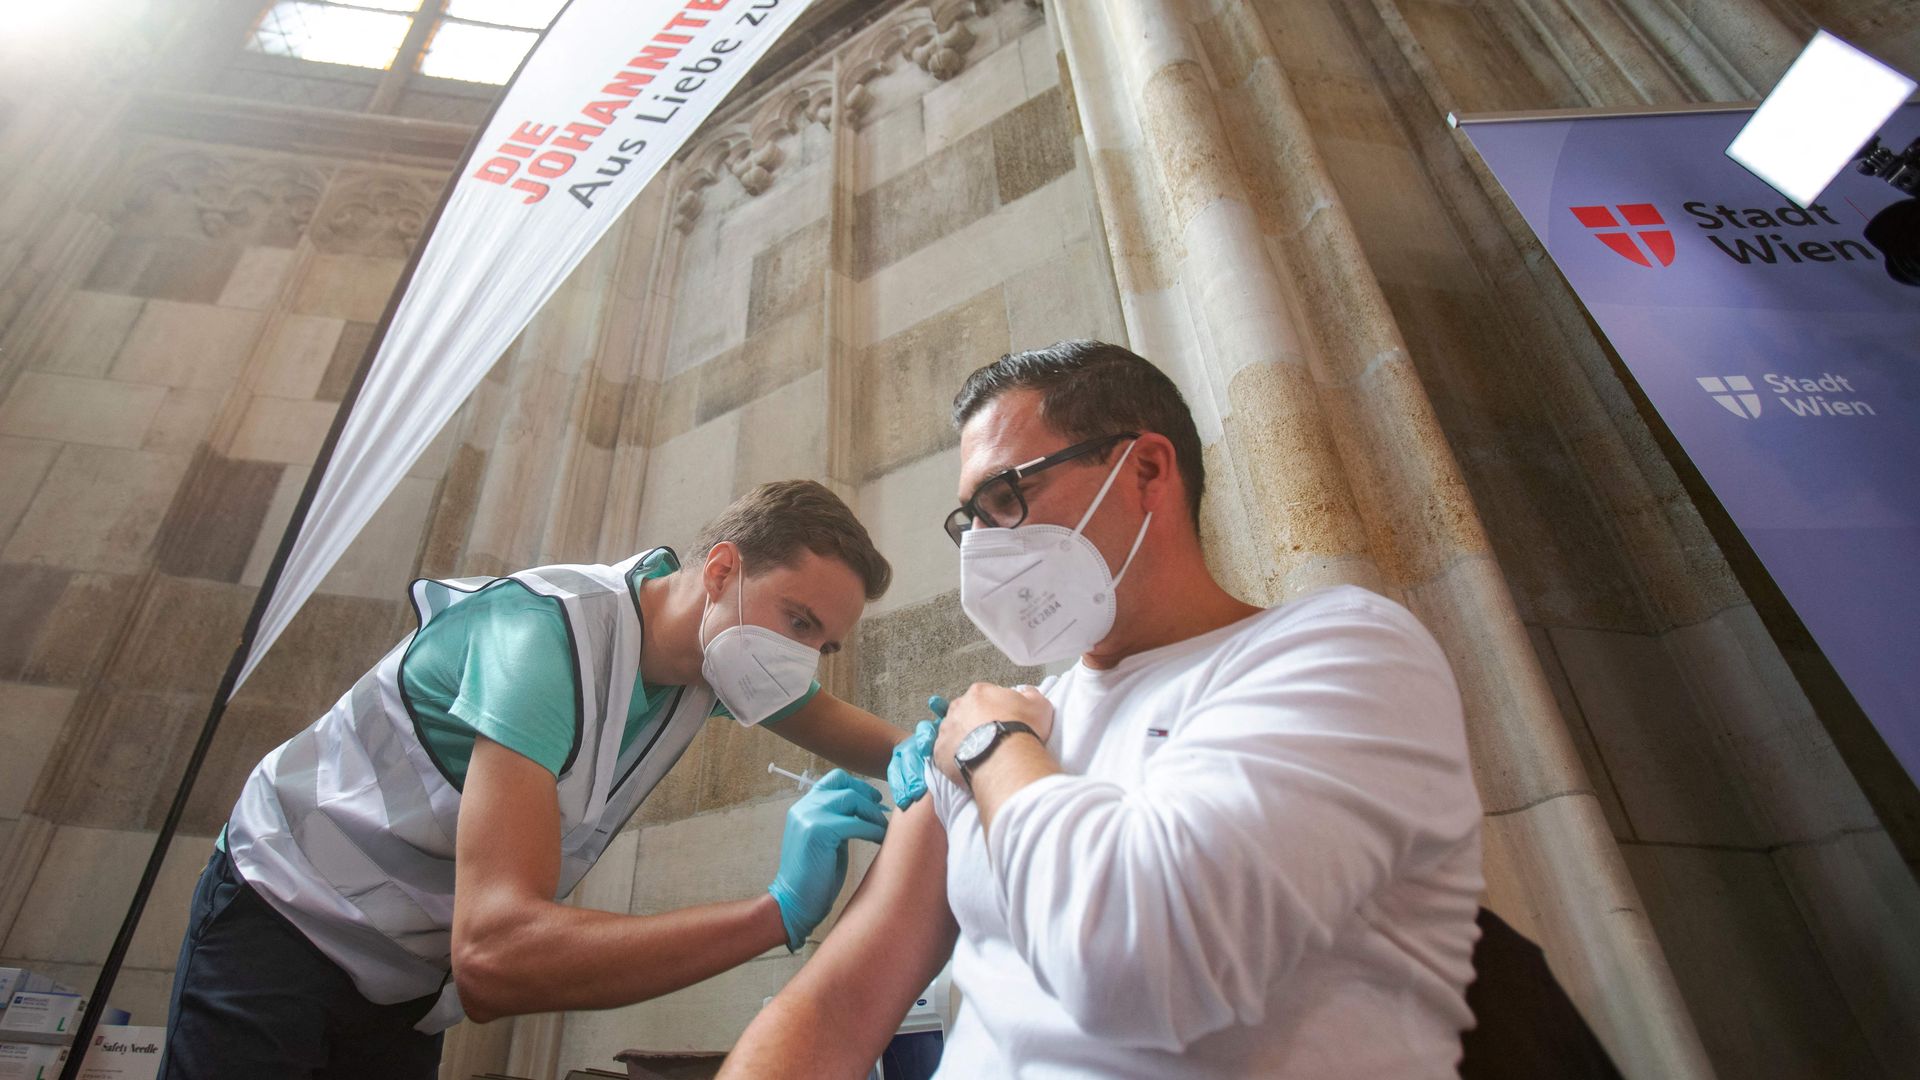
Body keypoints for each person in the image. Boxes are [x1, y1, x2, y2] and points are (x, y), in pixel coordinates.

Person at [721, 342, 1485, 1078]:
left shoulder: (1330, 649)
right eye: (969, 520)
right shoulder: (1007, 726)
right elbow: (836, 1005)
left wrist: (992, 743)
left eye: (1005, 497)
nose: (982, 547)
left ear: (1146, 468)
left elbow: (1142, 960)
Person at [162, 480, 927, 1079]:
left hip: (404, 981)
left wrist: (946, 748)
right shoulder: (542, 639)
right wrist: (778, 911)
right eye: (798, 622)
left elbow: (855, 732)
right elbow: (497, 956)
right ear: (722, 569)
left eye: (822, 645)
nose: (802, 657)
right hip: (285, 914)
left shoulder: (714, 659)